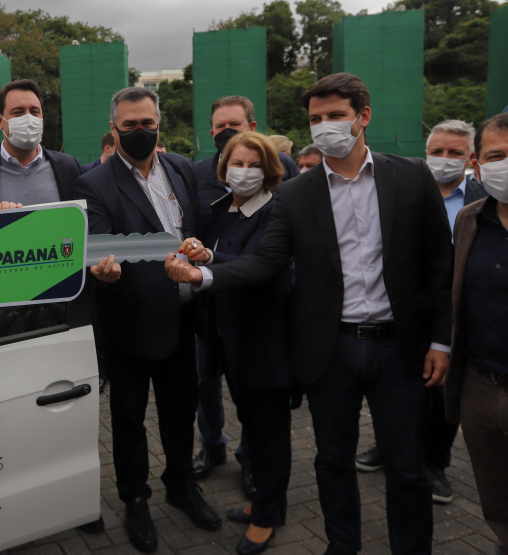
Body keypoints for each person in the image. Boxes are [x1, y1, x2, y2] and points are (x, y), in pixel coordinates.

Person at [165, 73, 453, 555]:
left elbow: (439, 264)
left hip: (401, 349)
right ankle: (342, 546)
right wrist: (203, 276)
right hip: (330, 349)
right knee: (332, 461)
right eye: (316, 119)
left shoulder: (410, 175)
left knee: (406, 468)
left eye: (335, 115)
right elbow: (266, 260)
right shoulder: (298, 194)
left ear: (363, 117)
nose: (324, 127)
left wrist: (441, 340)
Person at [75, 86, 221, 553]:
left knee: (181, 411)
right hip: (131, 325)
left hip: (184, 316)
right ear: (113, 128)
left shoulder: (179, 166)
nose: (140, 132)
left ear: (160, 123)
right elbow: (101, 250)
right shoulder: (92, 184)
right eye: (130, 125)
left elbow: (192, 228)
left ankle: (180, 484)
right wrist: (108, 274)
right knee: (129, 419)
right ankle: (135, 499)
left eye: (148, 124)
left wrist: (198, 249)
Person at [355, 119, 486, 505]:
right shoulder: (406, 187)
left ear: (470, 159)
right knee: (398, 385)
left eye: (454, 153)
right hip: (408, 310)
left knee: (443, 390)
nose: (443, 160)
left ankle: (435, 463)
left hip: (460, 311)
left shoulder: (482, 197)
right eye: (437, 151)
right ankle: (387, 446)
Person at [179, 131, 295, 554]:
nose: (243, 172)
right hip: (229, 340)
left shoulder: (277, 211)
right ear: (222, 167)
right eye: (235, 163)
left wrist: (207, 261)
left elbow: (260, 268)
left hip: (265, 342)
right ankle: (268, 502)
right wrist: (196, 249)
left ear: (269, 170)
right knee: (253, 422)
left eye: (253, 164)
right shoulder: (222, 209)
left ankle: (266, 515)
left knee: (269, 432)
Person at [191, 95, 300, 495]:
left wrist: (206, 264)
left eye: (234, 125)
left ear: (254, 125)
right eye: (219, 127)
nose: (226, 132)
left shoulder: (280, 188)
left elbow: (266, 261)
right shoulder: (203, 179)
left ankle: (253, 465)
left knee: (257, 408)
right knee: (208, 385)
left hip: (256, 322)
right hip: (213, 317)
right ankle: (212, 446)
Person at [444, 112, 508, 554]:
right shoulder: (470, 219)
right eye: (497, 156)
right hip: (482, 387)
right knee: (497, 499)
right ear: (479, 166)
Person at [0, 79, 82, 210]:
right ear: (0, 121)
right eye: (18, 112)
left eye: (34, 111)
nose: (29, 119)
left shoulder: (68, 167)